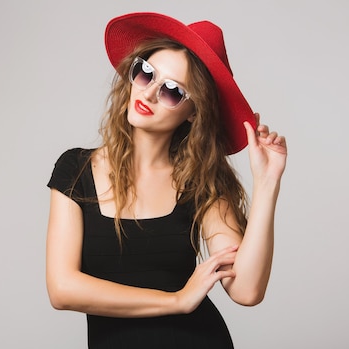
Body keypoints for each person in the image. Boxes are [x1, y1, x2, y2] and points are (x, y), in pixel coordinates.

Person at [45, 12, 287, 348]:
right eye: (146, 73)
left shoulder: (201, 182)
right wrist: (175, 301)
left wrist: (267, 182)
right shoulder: (76, 170)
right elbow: (62, 289)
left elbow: (246, 290)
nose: (151, 93)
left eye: (173, 91)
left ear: (193, 112)